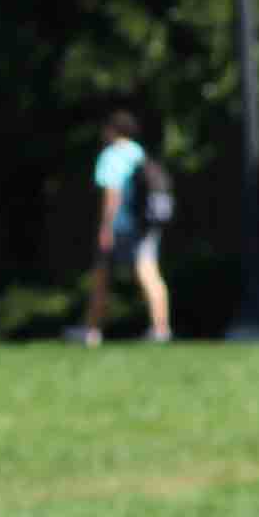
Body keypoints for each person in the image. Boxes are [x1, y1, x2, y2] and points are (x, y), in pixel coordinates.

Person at [69, 108, 172, 346]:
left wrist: (106, 226)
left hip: (122, 225)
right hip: (147, 223)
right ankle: (161, 328)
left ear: (112, 130)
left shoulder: (111, 156)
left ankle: (92, 331)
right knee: (149, 273)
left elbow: (112, 194)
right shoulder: (139, 153)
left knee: (101, 275)